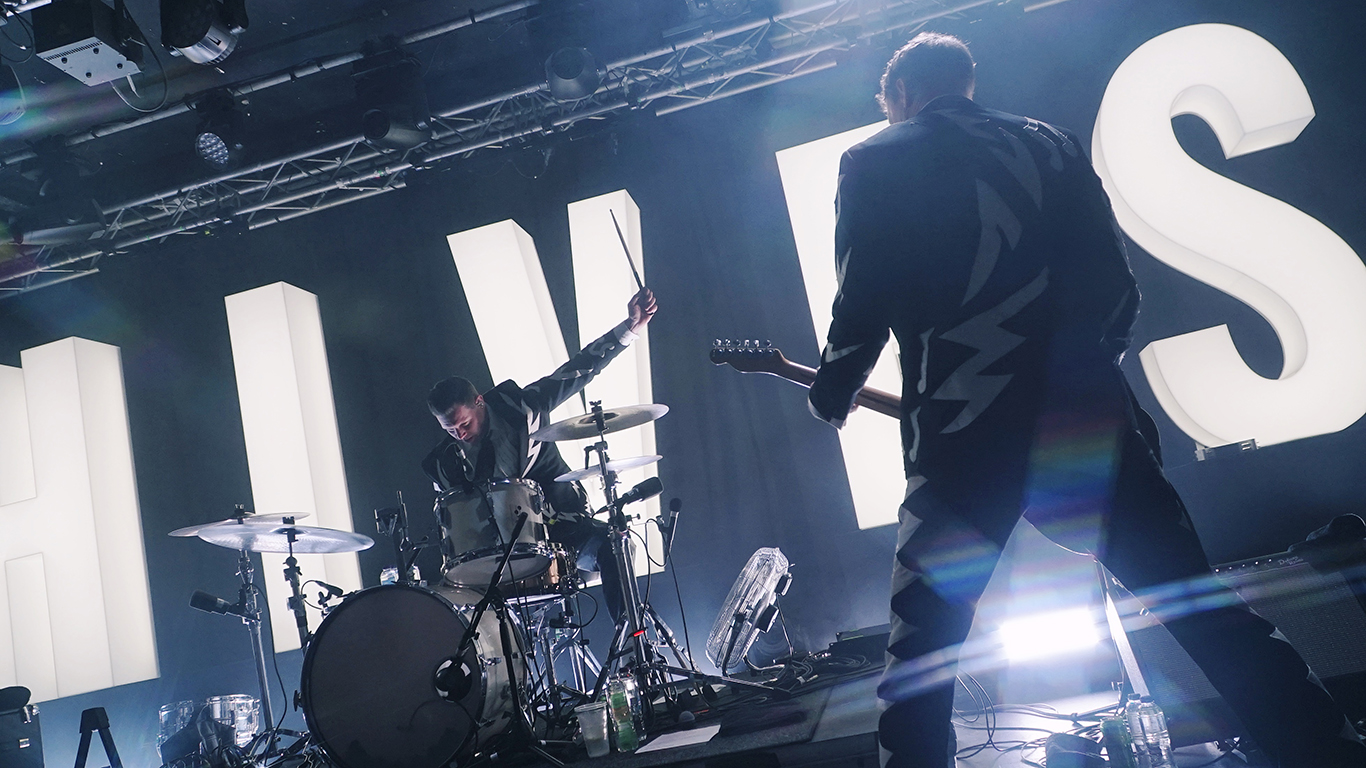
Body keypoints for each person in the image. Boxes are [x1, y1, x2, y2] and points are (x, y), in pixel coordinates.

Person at [806, 32, 1365, 768]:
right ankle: (1328, 752)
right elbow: (1116, 288)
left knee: (922, 661)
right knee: (1199, 608)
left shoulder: (873, 158)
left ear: (902, 92)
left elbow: (862, 299)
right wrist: (1085, 383)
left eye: (887, 104)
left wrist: (833, 391)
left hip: (965, 432)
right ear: (964, 82)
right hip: (1084, 426)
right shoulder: (1051, 144)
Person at [423, 286, 658, 622]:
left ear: (480, 403)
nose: (458, 434)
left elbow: (579, 370)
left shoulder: (522, 407)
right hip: (495, 552)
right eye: (449, 430)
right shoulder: (443, 463)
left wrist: (630, 328)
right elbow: (452, 527)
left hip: (558, 525)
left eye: (462, 424)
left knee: (614, 544)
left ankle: (629, 641)